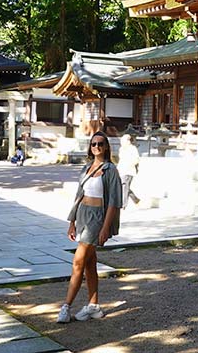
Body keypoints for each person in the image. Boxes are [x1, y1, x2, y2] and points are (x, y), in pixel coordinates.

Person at [57, 133, 122, 323]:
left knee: (78, 261)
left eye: (100, 144)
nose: (97, 146)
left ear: (107, 147)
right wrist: (71, 222)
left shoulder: (111, 170)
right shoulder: (87, 168)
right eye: (93, 144)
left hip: (97, 217)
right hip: (83, 215)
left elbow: (114, 203)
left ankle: (66, 306)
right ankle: (93, 306)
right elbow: (79, 195)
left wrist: (105, 228)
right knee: (89, 263)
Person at [117, 134, 140, 208]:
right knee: (124, 186)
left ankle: (123, 205)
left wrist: (130, 164)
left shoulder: (133, 148)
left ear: (128, 141)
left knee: (124, 187)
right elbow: (121, 160)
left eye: (123, 141)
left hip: (129, 171)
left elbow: (137, 159)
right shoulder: (121, 149)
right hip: (121, 170)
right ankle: (136, 200)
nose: (121, 142)